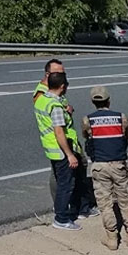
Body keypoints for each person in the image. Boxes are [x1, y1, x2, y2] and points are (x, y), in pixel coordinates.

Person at [32, 59, 97, 219]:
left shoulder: (55, 94)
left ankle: (82, 207)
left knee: (79, 172)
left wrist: (68, 110)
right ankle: (62, 210)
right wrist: (68, 153)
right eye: (59, 74)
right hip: (60, 146)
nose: (63, 77)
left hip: (69, 141)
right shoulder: (43, 94)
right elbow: (56, 126)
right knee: (63, 180)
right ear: (48, 75)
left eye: (63, 73)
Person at [82, 86, 128, 250]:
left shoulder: (88, 120)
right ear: (109, 100)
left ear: (93, 102)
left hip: (100, 165)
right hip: (119, 164)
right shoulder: (121, 117)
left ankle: (112, 238)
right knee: (125, 199)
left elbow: (87, 137)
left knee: (105, 203)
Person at [34, 72, 83, 230]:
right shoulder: (54, 106)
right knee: (66, 184)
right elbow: (59, 131)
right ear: (62, 86)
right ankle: (61, 218)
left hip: (50, 148)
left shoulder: (42, 100)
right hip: (60, 150)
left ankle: (62, 213)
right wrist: (70, 154)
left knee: (62, 181)